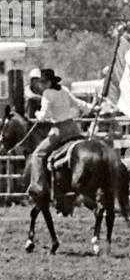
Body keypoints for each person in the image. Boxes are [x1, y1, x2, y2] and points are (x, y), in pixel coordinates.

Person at [30, 68, 91, 196]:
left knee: (38, 154)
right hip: (74, 128)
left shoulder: (47, 93)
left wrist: (37, 114)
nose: (40, 85)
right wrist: (92, 108)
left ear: (47, 82)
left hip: (59, 130)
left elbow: (44, 115)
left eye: (42, 82)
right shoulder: (64, 90)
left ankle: (38, 186)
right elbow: (78, 103)